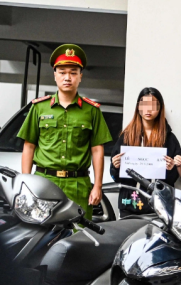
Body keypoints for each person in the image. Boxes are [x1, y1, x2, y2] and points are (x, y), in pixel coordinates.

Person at [16, 44, 112, 220]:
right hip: (44, 182)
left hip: (78, 185)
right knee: (41, 233)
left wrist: (98, 185)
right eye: (62, 72)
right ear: (55, 75)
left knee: (79, 237)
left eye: (73, 72)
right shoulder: (39, 107)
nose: (67, 77)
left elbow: (97, 149)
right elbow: (29, 146)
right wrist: (26, 184)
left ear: (80, 76)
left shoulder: (92, 111)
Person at [109, 87, 181, 218]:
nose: (148, 110)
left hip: (159, 207)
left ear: (160, 108)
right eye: (144, 104)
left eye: (153, 105)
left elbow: (173, 179)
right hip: (130, 205)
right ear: (138, 107)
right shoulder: (126, 136)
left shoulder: (169, 138)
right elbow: (115, 176)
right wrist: (115, 166)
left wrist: (172, 168)